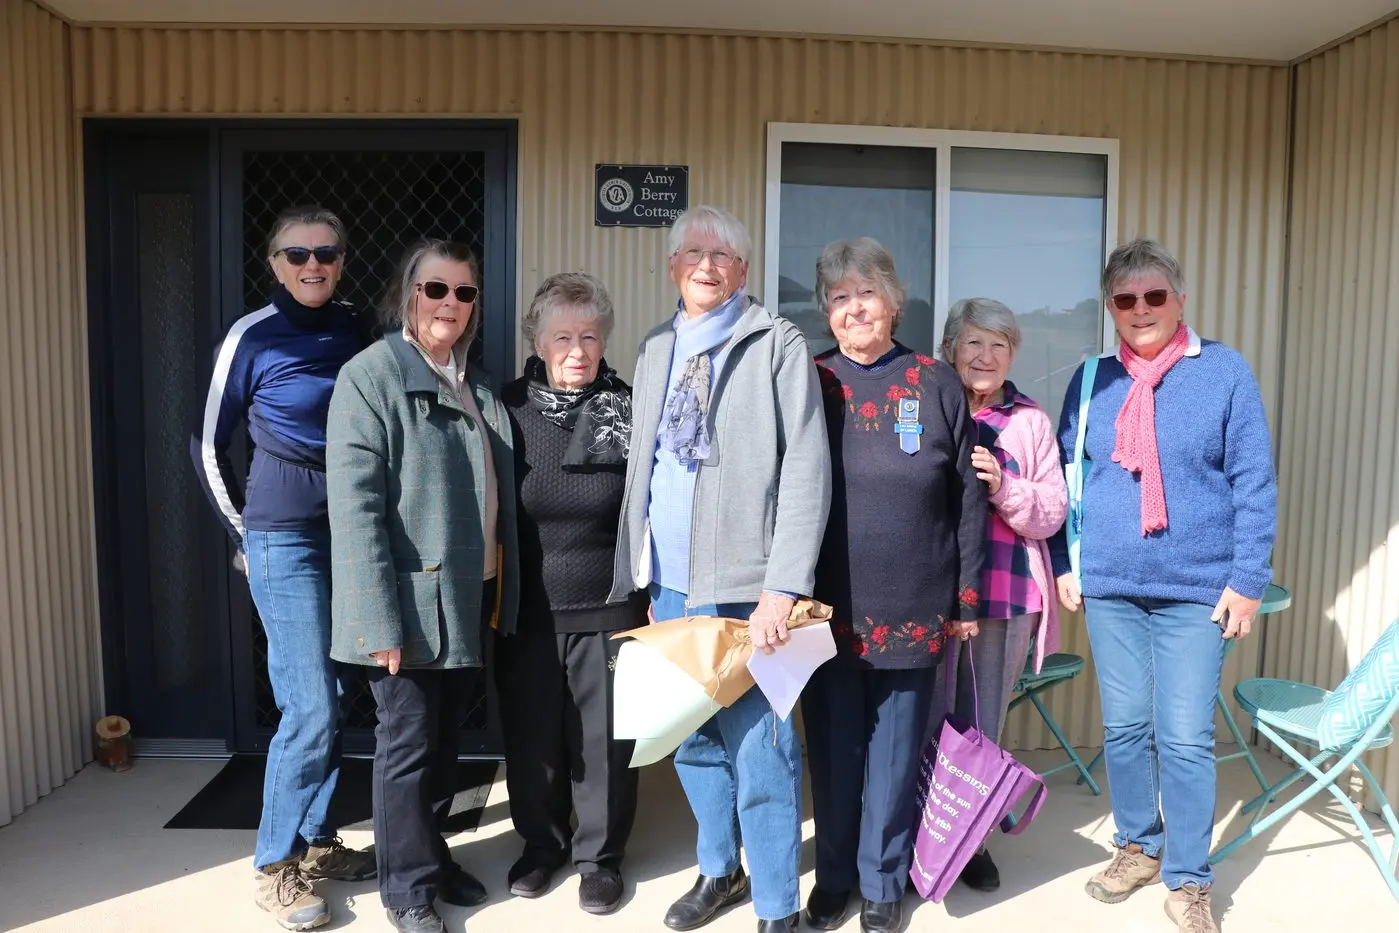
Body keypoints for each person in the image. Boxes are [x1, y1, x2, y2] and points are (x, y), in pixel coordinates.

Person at [608, 205, 831, 933]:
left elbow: (805, 467)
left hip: (748, 590)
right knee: (692, 740)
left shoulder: (775, 343)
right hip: (669, 583)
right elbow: (645, 468)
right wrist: (642, 577)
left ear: (742, 271)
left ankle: (776, 905)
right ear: (673, 267)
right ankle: (717, 867)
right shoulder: (653, 348)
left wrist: (781, 588)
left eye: (723, 255)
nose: (707, 265)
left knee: (761, 749)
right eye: (693, 252)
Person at [1050, 238, 1277, 933]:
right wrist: (1066, 561)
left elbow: (1253, 482)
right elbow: (1067, 481)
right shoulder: (1091, 380)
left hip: (1196, 589)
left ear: (1179, 299)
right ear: (1110, 308)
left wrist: (1246, 579)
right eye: (1125, 298)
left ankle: (1187, 877)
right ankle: (1137, 845)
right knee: (1123, 726)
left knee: (1182, 736)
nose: (1141, 309)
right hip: (1112, 584)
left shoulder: (1224, 372)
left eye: (1154, 295)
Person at [190, 205, 376, 932]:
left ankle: (318, 840)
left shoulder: (357, 325)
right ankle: (274, 864)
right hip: (284, 539)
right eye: (296, 253)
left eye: (325, 252)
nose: (312, 264)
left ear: (339, 259)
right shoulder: (250, 337)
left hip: (352, 537)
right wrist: (244, 531)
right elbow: (207, 443)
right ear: (274, 263)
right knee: (310, 706)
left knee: (336, 686)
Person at [326, 239, 520, 933]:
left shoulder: (474, 380)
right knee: (406, 749)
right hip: (407, 606)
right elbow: (355, 511)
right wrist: (378, 622)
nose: (449, 304)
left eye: (464, 293)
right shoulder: (371, 376)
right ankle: (406, 891)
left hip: (468, 598)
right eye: (435, 289)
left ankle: (430, 856)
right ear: (408, 293)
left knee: (443, 747)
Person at [803, 239, 986, 933]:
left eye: (867, 293)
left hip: (914, 603)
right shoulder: (810, 379)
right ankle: (834, 876)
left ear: (894, 302)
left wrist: (966, 599)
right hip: (824, 607)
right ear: (827, 310)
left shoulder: (933, 381)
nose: (855, 308)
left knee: (893, 752)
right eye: (840, 297)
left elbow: (966, 496)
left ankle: (883, 880)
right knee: (833, 749)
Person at [496, 272, 647, 914]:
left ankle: (599, 859)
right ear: (537, 339)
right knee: (533, 738)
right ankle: (542, 846)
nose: (578, 350)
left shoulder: (628, 408)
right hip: (528, 606)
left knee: (605, 743)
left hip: (609, 604)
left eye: (589, 335)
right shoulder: (505, 411)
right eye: (563, 336)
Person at [935, 297, 1068, 894]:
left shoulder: (1031, 421)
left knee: (982, 724)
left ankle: (972, 841)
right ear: (950, 350)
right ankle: (922, 833)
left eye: (998, 345)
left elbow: (1053, 510)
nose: (985, 356)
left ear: (1012, 353)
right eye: (973, 343)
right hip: (933, 594)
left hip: (1007, 594)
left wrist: (1004, 486)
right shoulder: (927, 404)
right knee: (925, 720)